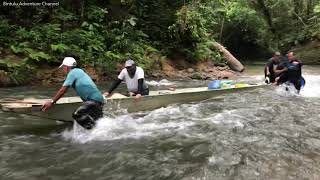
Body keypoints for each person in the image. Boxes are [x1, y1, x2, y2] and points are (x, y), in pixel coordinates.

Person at [41, 57, 104, 129]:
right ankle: (98, 131)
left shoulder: (72, 73)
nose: (63, 70)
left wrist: (52, 102)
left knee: (77, 114)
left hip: (92, 100)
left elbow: (63, 90)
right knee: (98, 121)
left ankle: (92, 131)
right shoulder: (79, 71)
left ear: (66, 67)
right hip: (99, 100)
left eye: (63, 67)